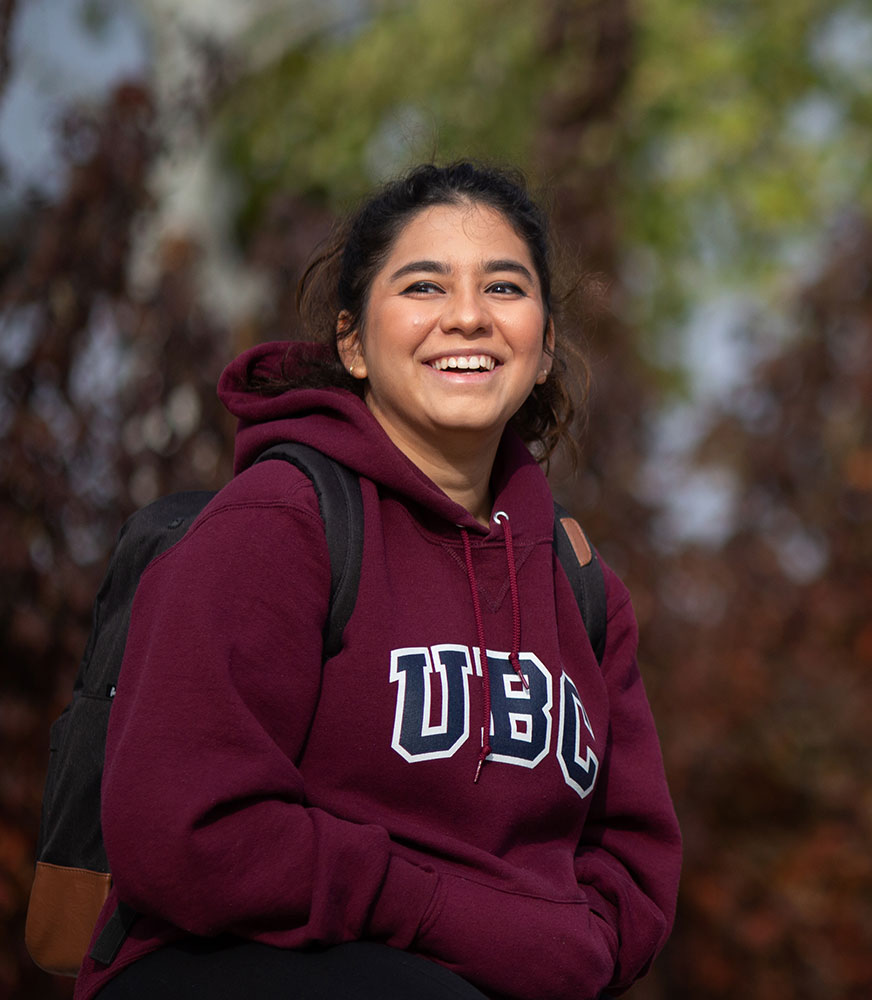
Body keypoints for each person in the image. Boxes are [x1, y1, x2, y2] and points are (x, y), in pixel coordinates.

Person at [74, 161, 682, 1000]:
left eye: (505, 288)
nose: (467, 316)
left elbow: (634, 867)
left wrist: (576, 950)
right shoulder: (280, 523)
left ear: (543, 349)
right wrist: (465, 923)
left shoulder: (581, 586)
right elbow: (184, 831)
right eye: (424, 287)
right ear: (354, 342)